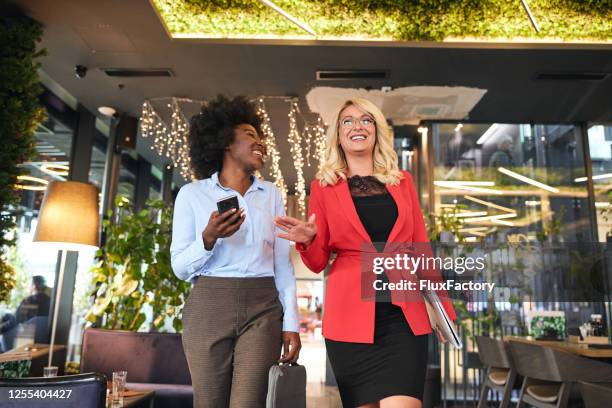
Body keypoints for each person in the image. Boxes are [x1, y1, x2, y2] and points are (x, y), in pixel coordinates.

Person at [275, 98, 457, 408]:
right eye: (348, 121)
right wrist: (306, 241)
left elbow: (420, 247)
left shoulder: (403, 182)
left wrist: (444, 312)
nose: (357, 126)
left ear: (376, 131)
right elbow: (318, 262)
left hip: (403, 317)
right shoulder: (324, 186)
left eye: (366, 120)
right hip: (350, 317)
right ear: (338, 135)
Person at [170, 95, 301, 408]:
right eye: (250, 136)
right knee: (209, 403)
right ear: (226, 142)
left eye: (261, 138)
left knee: (249, 403)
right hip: (209, 305)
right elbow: (179, 267)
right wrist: (208, 237)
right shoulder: (192, 195)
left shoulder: (271, 194)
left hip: (263, 306)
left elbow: (282, 264)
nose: (260, 144)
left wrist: (291, 323)